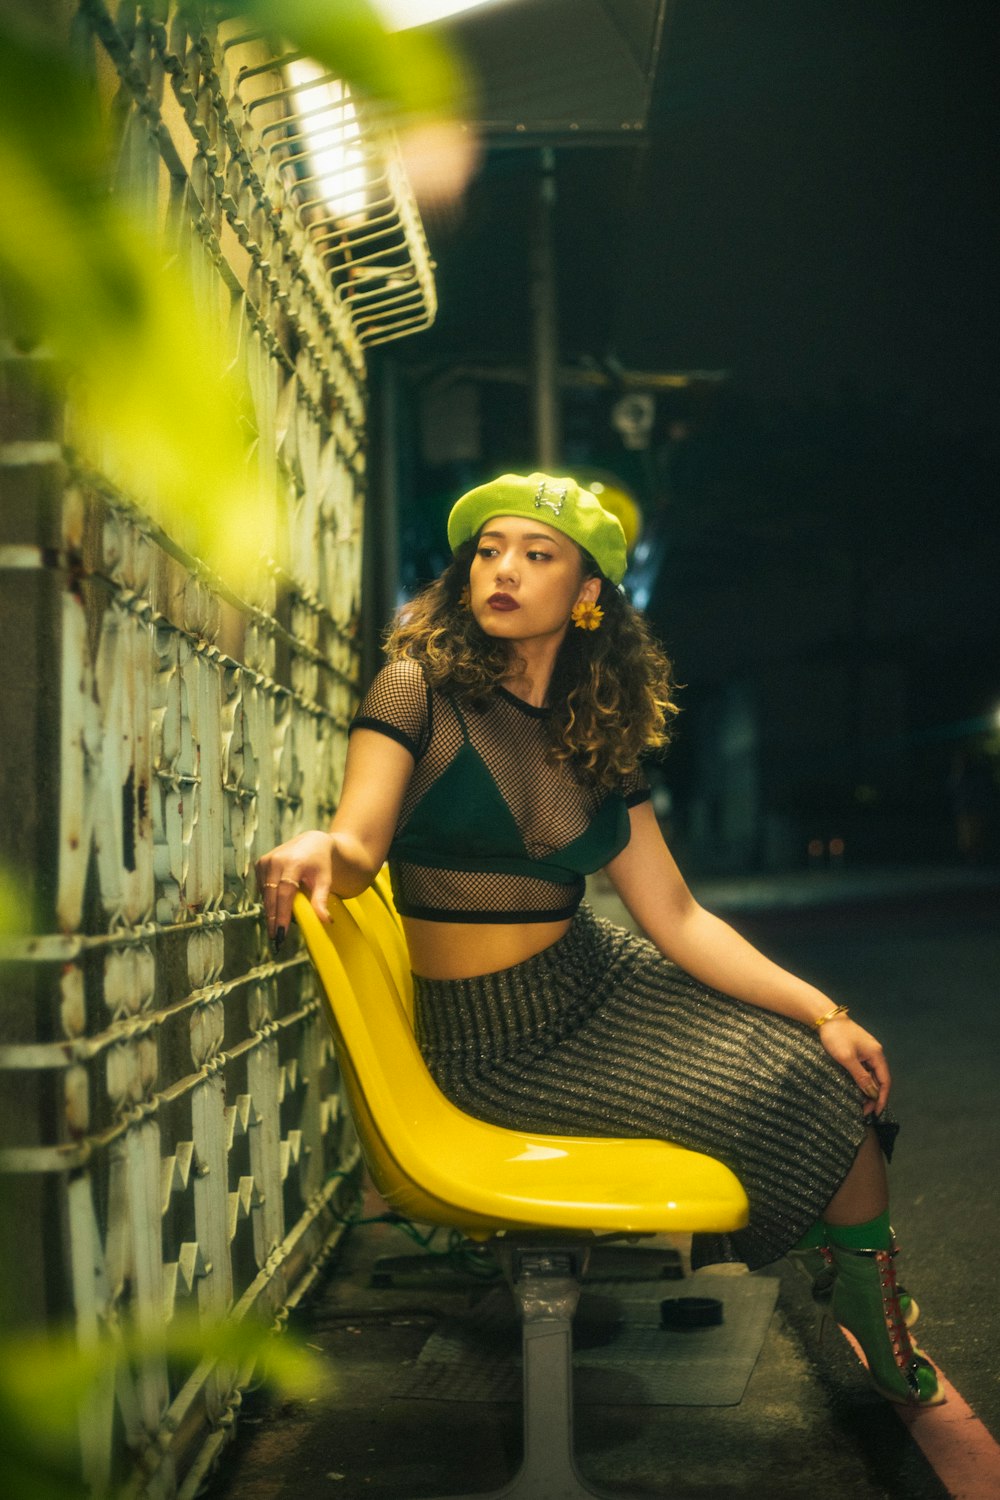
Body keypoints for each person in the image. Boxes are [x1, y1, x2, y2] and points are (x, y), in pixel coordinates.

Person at [257, 472, 940, 1407]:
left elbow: (677, 916)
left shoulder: (597, 729)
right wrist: (312, 850)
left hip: (594, 980)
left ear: (586, 596)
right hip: (493, 1042)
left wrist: (826, 1010)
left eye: (536, 556)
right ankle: (834, 1243)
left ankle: (866, 1291)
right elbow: (357, 846)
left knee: (825, 1067)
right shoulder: (419, 690)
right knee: (795, 1092)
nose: (503, 571)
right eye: (488, 551)